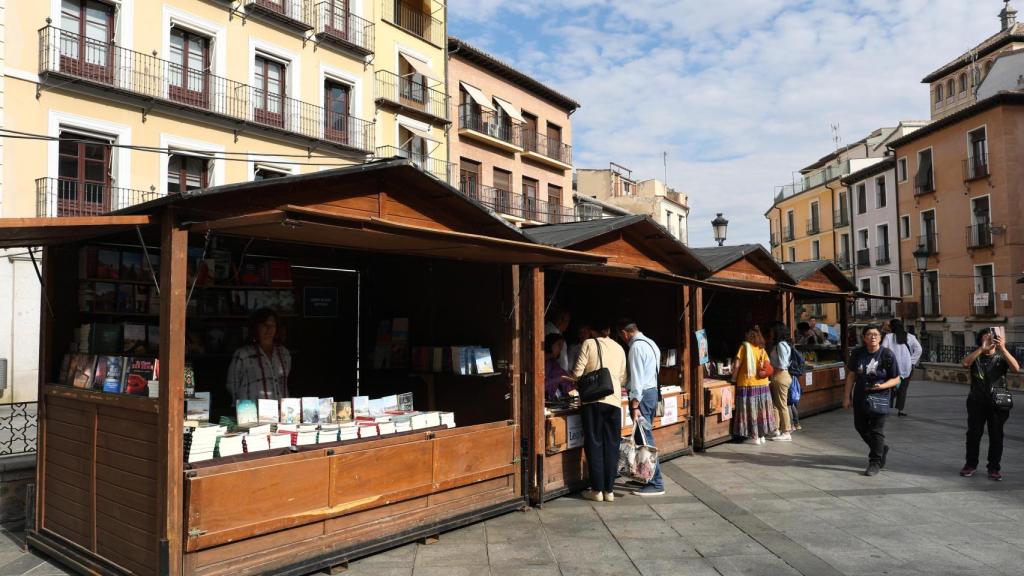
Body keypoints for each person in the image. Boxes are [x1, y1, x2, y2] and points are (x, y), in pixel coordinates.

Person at [571, 320, 627, 503]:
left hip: (593, 401)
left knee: (594, 443)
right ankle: (609, 491)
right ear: (609, 329)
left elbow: (578, 373)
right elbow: (622, 378)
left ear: (592, 330)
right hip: (614, 400)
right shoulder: (619, 348)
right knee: (612, 444)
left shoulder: (588, 343)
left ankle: (596, 490)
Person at [960, 328, 1020, 480]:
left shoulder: (1001, 358)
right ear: (980, 340)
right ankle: (970, 464)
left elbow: (1016, 368)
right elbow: (965, 363)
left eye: (993, 338)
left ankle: (994, 468)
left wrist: (1003, 348)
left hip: (997, 403)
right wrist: (982, 348)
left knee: (996, 436)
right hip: (976, 401)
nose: (991, 341)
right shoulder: (976, 357)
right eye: (987, 338)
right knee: (973, 435)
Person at [843, 325, 900, 476]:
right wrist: (846, 397)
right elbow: (851, 376)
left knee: (876, 430)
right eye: (869, 334)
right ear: (864, 338)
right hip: (861, 396)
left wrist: (882, 385)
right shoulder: (858, 353)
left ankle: (875, 462)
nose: (873, 337)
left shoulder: (887, 354)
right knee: (860, 426)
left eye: (876, 334)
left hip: (880, 398)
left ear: (880, 338)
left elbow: (896, 379)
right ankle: (881, 448)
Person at [619, 319, 665, 496]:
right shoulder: (651, 343)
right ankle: (644, 476)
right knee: (642, 439)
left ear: (625, 333)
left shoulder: (636, 347)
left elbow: (638, 378)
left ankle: (656, 482)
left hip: (643, 395)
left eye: (621, 336)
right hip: (652, 392)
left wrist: (635, 403)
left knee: (645, 441)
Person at [227, 308, 292, 401]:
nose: (269, 329)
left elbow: (283, 383)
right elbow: (232, 384)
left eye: (272, 325)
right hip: (251, 412)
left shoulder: (284, 353)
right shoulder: (243, 354)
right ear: (256, 327)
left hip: (281, 411)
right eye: (264, 325)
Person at [731, 327, 778, 445]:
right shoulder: (762, 349)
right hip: (763, 385)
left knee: (750, 410)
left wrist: (733, 378)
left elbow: (737, 365)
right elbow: (767, 364)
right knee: (762, 410)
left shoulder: (744, 347)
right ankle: (761, 435)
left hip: (748, 384)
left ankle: (755, 436)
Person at [881, 318, 923, 417]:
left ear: (891, 327)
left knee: (889, 387)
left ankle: (886, 408)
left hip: (892, 367)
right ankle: (900, 410)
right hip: (907, 367)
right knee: (903, 389)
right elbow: (919, 350)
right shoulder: (910, 336)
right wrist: (911, 361)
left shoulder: (888, 337)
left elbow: (883, 350)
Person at [767, 322, 794, 441]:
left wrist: (773, 375)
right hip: (781, 376)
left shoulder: (780, 345)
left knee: (782, 405)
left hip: (780, 376)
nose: (771, 333)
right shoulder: (783, 344)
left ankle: (786, 431)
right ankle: (776, 429)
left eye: (773, 331)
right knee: (777, 405)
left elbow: (782, 364)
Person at [544, 334, 576, 401]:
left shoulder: (553, 362)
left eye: (561, 347)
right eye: (559, 345)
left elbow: (562, 375)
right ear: (550, 344)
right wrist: (559, 379)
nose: (560, 349)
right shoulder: (538, 362)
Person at [545, 306, 571, 371]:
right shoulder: (548, 331)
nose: (567, 324)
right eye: (567, 321)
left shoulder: (558, 332)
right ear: (560, 320)